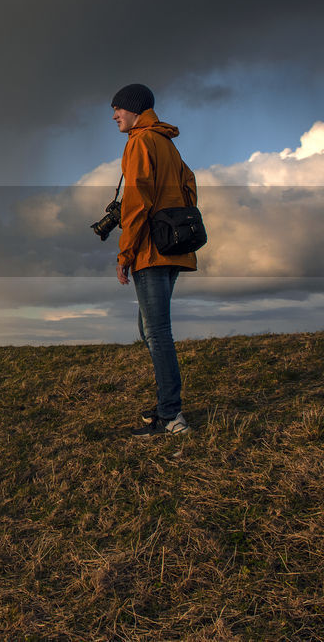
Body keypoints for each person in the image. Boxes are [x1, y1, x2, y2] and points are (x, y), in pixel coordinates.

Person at [110, 83, 196, 437]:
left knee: (157, 333)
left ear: (133, 110)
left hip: (150, 250)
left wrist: (125, 253)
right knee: (149, 329)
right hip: (174, 246)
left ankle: (171, 415)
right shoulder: (167, 143)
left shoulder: (140, 142)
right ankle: (165, 403)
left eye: (117, 110)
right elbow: (190, 187)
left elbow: (135, 202)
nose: (114, 116)